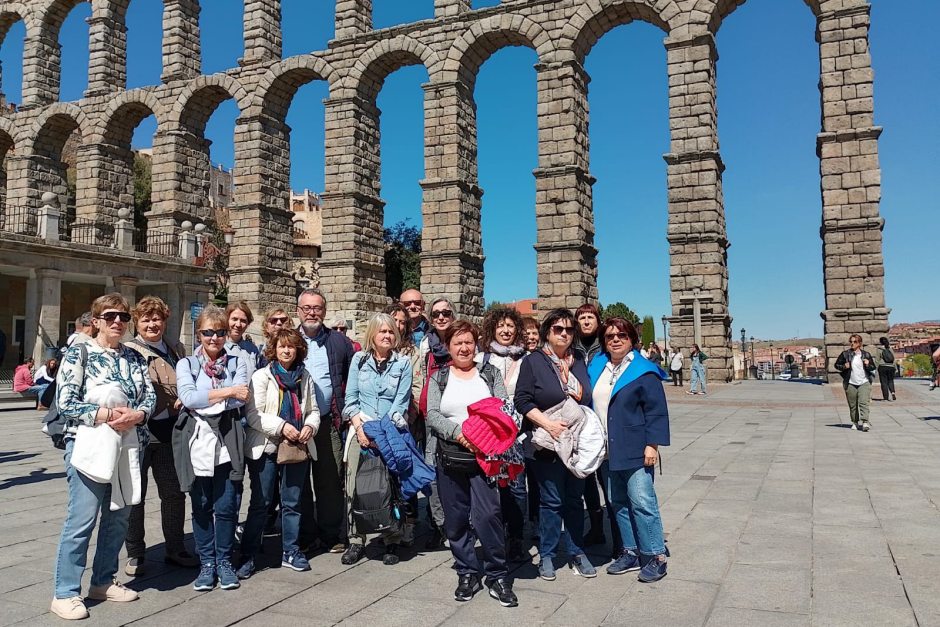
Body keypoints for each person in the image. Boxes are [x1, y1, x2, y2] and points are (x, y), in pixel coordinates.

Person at [50, 293, 156, 620]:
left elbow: (149, 397)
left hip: (127, 444)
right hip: (88, 443)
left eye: (123, 317)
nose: (117, 322)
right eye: (110, 316)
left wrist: (137, 414)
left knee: (119, 516)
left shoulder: (136, 357)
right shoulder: (79, 352)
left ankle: (102, 581)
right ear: (96, 320)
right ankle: (65, 592)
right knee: (82, 519)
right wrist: (108, 413)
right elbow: (66, 401)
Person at [426, 320, 518, 607]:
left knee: (488, 515)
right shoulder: (439, 377)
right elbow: (431, 414)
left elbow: (503, 408)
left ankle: (497, 574)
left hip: (486, 457)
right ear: (448, 347)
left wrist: (483, 436)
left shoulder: (489, 374)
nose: (464, 348)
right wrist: (461, 434)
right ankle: (467, 571)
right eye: (458, 343)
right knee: (455, 519)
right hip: (451, 455)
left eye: (468, 342)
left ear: (475, 344)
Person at [514, 308, 596, 582]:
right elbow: (522, 400)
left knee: (575, 498)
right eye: (558, 329)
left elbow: (585, 397)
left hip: (575, 442)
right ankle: (548, 554)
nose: (564, 333)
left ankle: (576, 551)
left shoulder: (579, 361)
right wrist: (548, 424)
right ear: (547, 331)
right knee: (551, 501)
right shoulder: (534, 361)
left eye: (569, 329)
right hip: (546, 443)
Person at [587, 317, 670, 583]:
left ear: (631, 339)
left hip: (635, 447)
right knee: (617, 502)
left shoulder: (644, 371)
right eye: (610, 335)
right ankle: (631, 551)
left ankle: (656, 555)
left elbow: (656, 411)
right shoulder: (598, 366)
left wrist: (652, 445)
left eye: (621, 335)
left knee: (643, 502)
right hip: (606, 449)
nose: (615, 339)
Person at [176, 305, 250, 591]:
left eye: (220, 333)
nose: (214, 339)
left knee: (228, 504)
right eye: (208, 333)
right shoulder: (187, 364)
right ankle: (207, 563)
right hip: (197, 439)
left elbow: (242, 398)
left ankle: (225, 562)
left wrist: (206, 397)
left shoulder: (236, 361)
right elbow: (188, 397)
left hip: (228, 435)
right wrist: (227, 392)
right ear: (199, 334)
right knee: (202, 504)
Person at [123, 296, 198, 577]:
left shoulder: (176, 349)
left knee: (174, 494)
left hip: (170, 434)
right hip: (140, 434)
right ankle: (135, 554)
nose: (152, 324)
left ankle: (175, 548)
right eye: (146, 319)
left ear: (165, 320)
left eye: (157, 319)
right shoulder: (128, 350)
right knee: (135, 496)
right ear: (137, 323)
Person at [239, 328, 320, 579]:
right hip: (266, 445)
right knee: (261, 503)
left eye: (291, 347)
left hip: (296, 446)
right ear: (273, 349)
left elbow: (313, 409)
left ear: (298, 350)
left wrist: (309, 426)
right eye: (282, 346)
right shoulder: (262, 376)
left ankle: (291, 550)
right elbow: (253, 415)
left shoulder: (304, 376)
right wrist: (283, 426)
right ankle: (248, 554)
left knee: (292, 502)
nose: (286, 350)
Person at [340, 313, 414, 566]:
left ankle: (391, 538)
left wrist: (380, 434)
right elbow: (350, 400)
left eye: (391, 332)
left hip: (389, 431)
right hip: (360, 429)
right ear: (372, 334)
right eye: (382, 331)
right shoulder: (359, 361)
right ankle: (355, 540)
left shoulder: (403, 364)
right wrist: (361, 430)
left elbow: (400, 403)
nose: (387, 336)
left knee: (390, 487)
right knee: (354, 487)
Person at [296, 288, 354, 554]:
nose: (312, 312)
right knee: (299, 480)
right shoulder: (286, 340)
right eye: (306, 308)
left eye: (317, 308)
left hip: (328, 419)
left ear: (325, 311)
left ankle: (331, 534)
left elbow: (350, 379)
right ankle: (306, 535)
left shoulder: (339, 342)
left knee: (330, 479)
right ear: (298, 311)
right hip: (295, 423)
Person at [478, 306, 528, 562]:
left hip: (518, 431)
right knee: (492, 485)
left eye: (510, 326)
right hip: (491, 431)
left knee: (517, 487)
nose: (506, 331)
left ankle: (517, 537)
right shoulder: (483, 359)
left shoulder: (526, 358)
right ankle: (495, 534)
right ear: (493, 330)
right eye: (501, 326)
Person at [417, 297, 457, 550]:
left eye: (446, 313)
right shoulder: (425, 345)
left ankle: (461, 525)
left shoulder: (464, 340)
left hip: (459, 419)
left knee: (458, 474)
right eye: (436, 314)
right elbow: (421, 377)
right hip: (431, 417)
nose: (441, 317)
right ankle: (438, 524)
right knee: (432, 472)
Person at [386, 303, 423, 546]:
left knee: (406, 477)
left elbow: (418, 389)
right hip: (380, 425)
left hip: (404, 424)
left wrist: (407, 418)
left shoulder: (413, 353)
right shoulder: (371, 350)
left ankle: (408, 525)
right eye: (394, 320)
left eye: (402, 322)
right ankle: (387, 525)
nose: (398, 325)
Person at [834, 334, 876, 431]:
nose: (852, 344)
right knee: (852, 404)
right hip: (851, 382)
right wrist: (844, 366)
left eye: (855, 342)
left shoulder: (866, 354)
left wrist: (868, 364)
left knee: (863, 402)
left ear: (860, 343)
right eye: (851, 342)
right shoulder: (845, 354)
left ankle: (865, 422)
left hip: (864, 382)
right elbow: (837, 365)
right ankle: (855, 422)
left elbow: (873, 367)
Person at [226, 302, 262, 377]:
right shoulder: (217, 347)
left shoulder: (252, 349)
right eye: (234, 319)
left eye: (243, 321)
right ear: (226, 320)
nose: (238, 324)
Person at [876, 336, 897, 401]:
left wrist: (877, 368)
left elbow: (877, 360)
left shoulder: (879, 349)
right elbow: (894, 359)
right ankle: (893, 393)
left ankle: (886, 397)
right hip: (891, 367)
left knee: (884, 382)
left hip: (882, 367)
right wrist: (895, 367)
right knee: (890, 380)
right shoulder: (890, 348)